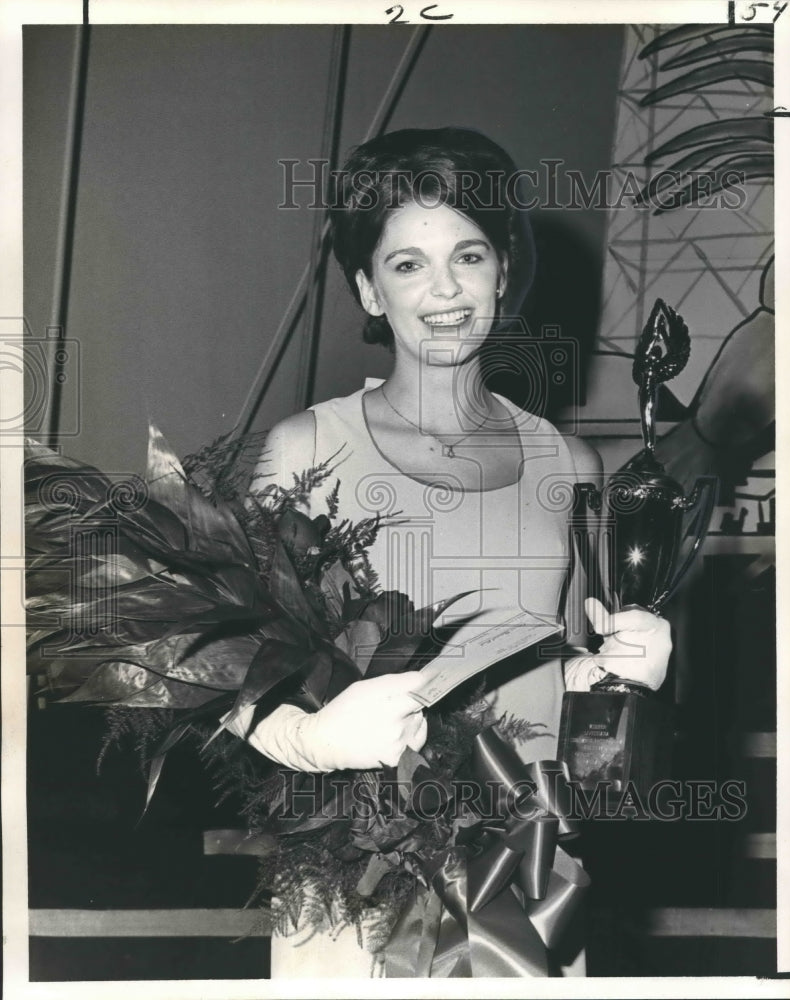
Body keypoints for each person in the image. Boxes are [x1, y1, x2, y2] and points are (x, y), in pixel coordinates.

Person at [227, 127, 672, 977]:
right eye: (406, 265)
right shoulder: (300, 450)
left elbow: (563, 655)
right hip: (355, 873)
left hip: (535, 864)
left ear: (504, 271)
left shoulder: (568, 464)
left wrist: (617, 680)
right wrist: (306, 737)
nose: (444, 291)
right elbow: (217, 663)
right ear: (366, 288)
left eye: (467, 256)